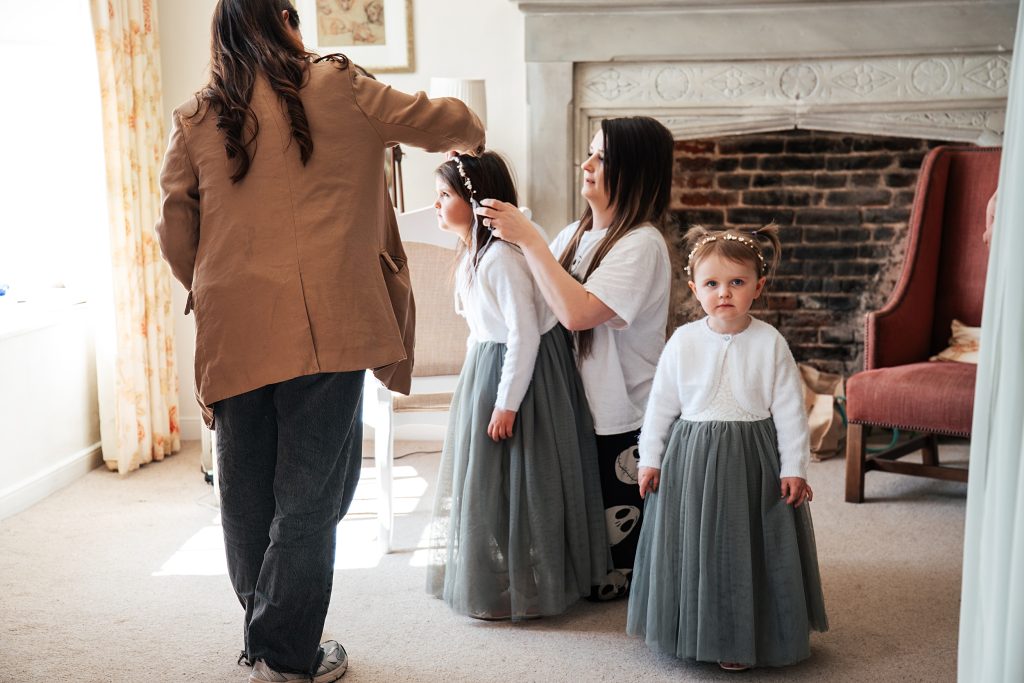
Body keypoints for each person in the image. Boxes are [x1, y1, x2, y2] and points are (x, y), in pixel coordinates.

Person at [154, 1, 484, 681]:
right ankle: (285, 651)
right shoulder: (341, 83)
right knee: (312, 493)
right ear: (285, 20)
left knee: (245, 489)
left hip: (234, 326)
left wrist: (220, 285)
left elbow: (174, 232)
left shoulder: (195, 117)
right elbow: (452, 123)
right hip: (330, 320)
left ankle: (266, 633)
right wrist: (467, 123)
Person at [475, 117, 674, 600]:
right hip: (572, 404)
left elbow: (577, 312)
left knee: (611, 570)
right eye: (589, 152)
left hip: (619, 416)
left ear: (634, 171)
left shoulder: (641, 245)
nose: (585, 165)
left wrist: (530, 240)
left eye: (601, 158)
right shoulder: (572, 235)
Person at [626, 224, 829, 672]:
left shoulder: (770, 342)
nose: (725, 293)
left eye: (737, 282)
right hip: (692, 460)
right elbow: (661, 405)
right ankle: (694, 627)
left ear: (758, 287)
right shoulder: (683, 342)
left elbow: (791, 411)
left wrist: (795, 467)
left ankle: (746, 633)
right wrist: (651, 459)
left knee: (749, 545)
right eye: (713, 283)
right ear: (694, 288)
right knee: (697, 546)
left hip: (753, 457)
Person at [425, 152, 607, 620]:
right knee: (487, 479)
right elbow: (480, 327)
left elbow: (524, 334)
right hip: (488, 365)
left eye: (445, 196)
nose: (436, 204)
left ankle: (533, 582)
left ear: (475, 201)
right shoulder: (473, 254)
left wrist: (506, 403)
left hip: (520, 372)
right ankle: (497, 577)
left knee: (526, 477)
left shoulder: (501, 259)